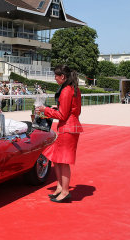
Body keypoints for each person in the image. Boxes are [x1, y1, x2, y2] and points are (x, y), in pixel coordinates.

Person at [35, 65, 83, 203]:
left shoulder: (66, 90)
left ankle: (65, 191)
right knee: (57, 159)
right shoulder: (73, 89)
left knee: (63, 161)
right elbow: (73, 110)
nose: (54, 78)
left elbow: (62, 115)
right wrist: (57, 108)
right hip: (70, 127)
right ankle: (61, 188)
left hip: (67, 128)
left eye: (56, 76)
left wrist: (46, 110)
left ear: (62, 76)